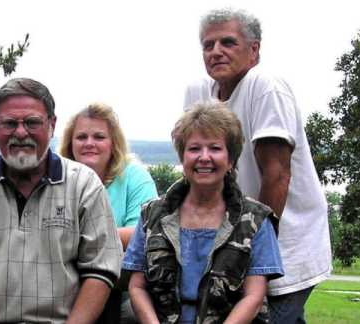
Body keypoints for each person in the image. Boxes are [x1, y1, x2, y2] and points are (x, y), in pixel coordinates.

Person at [0, 78, 122, 323]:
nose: (20, 132)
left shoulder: (84, 185)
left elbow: (101, 269)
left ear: (52, 125)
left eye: (32, 122)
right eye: (9, 123)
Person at [183, 8, 332, 322]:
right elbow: (195, 170)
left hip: (285, 240)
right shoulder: (199, 93)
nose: (216, 51)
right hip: (232, 242)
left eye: (227, 42)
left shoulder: (266, 86)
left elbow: (277, 176)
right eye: (208, 45)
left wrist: (249, 250)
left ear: (254, 51)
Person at [123, 102, 284, 323]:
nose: (204, 157)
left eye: (215, 148)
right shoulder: (151, 215)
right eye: (194, 148)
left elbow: (254, 297)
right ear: (183, 157)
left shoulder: (256, 220)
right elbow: (137, 287)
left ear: (230, 160)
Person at [59, 102, 158, 323]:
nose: (89, 143)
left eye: (99, 137)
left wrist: (80, 239)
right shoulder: (59, 177)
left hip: (122, 286)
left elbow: (141, 232)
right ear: (70, 143)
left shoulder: (134, 176)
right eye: (81, 137)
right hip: (63, 285)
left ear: (113, 143)